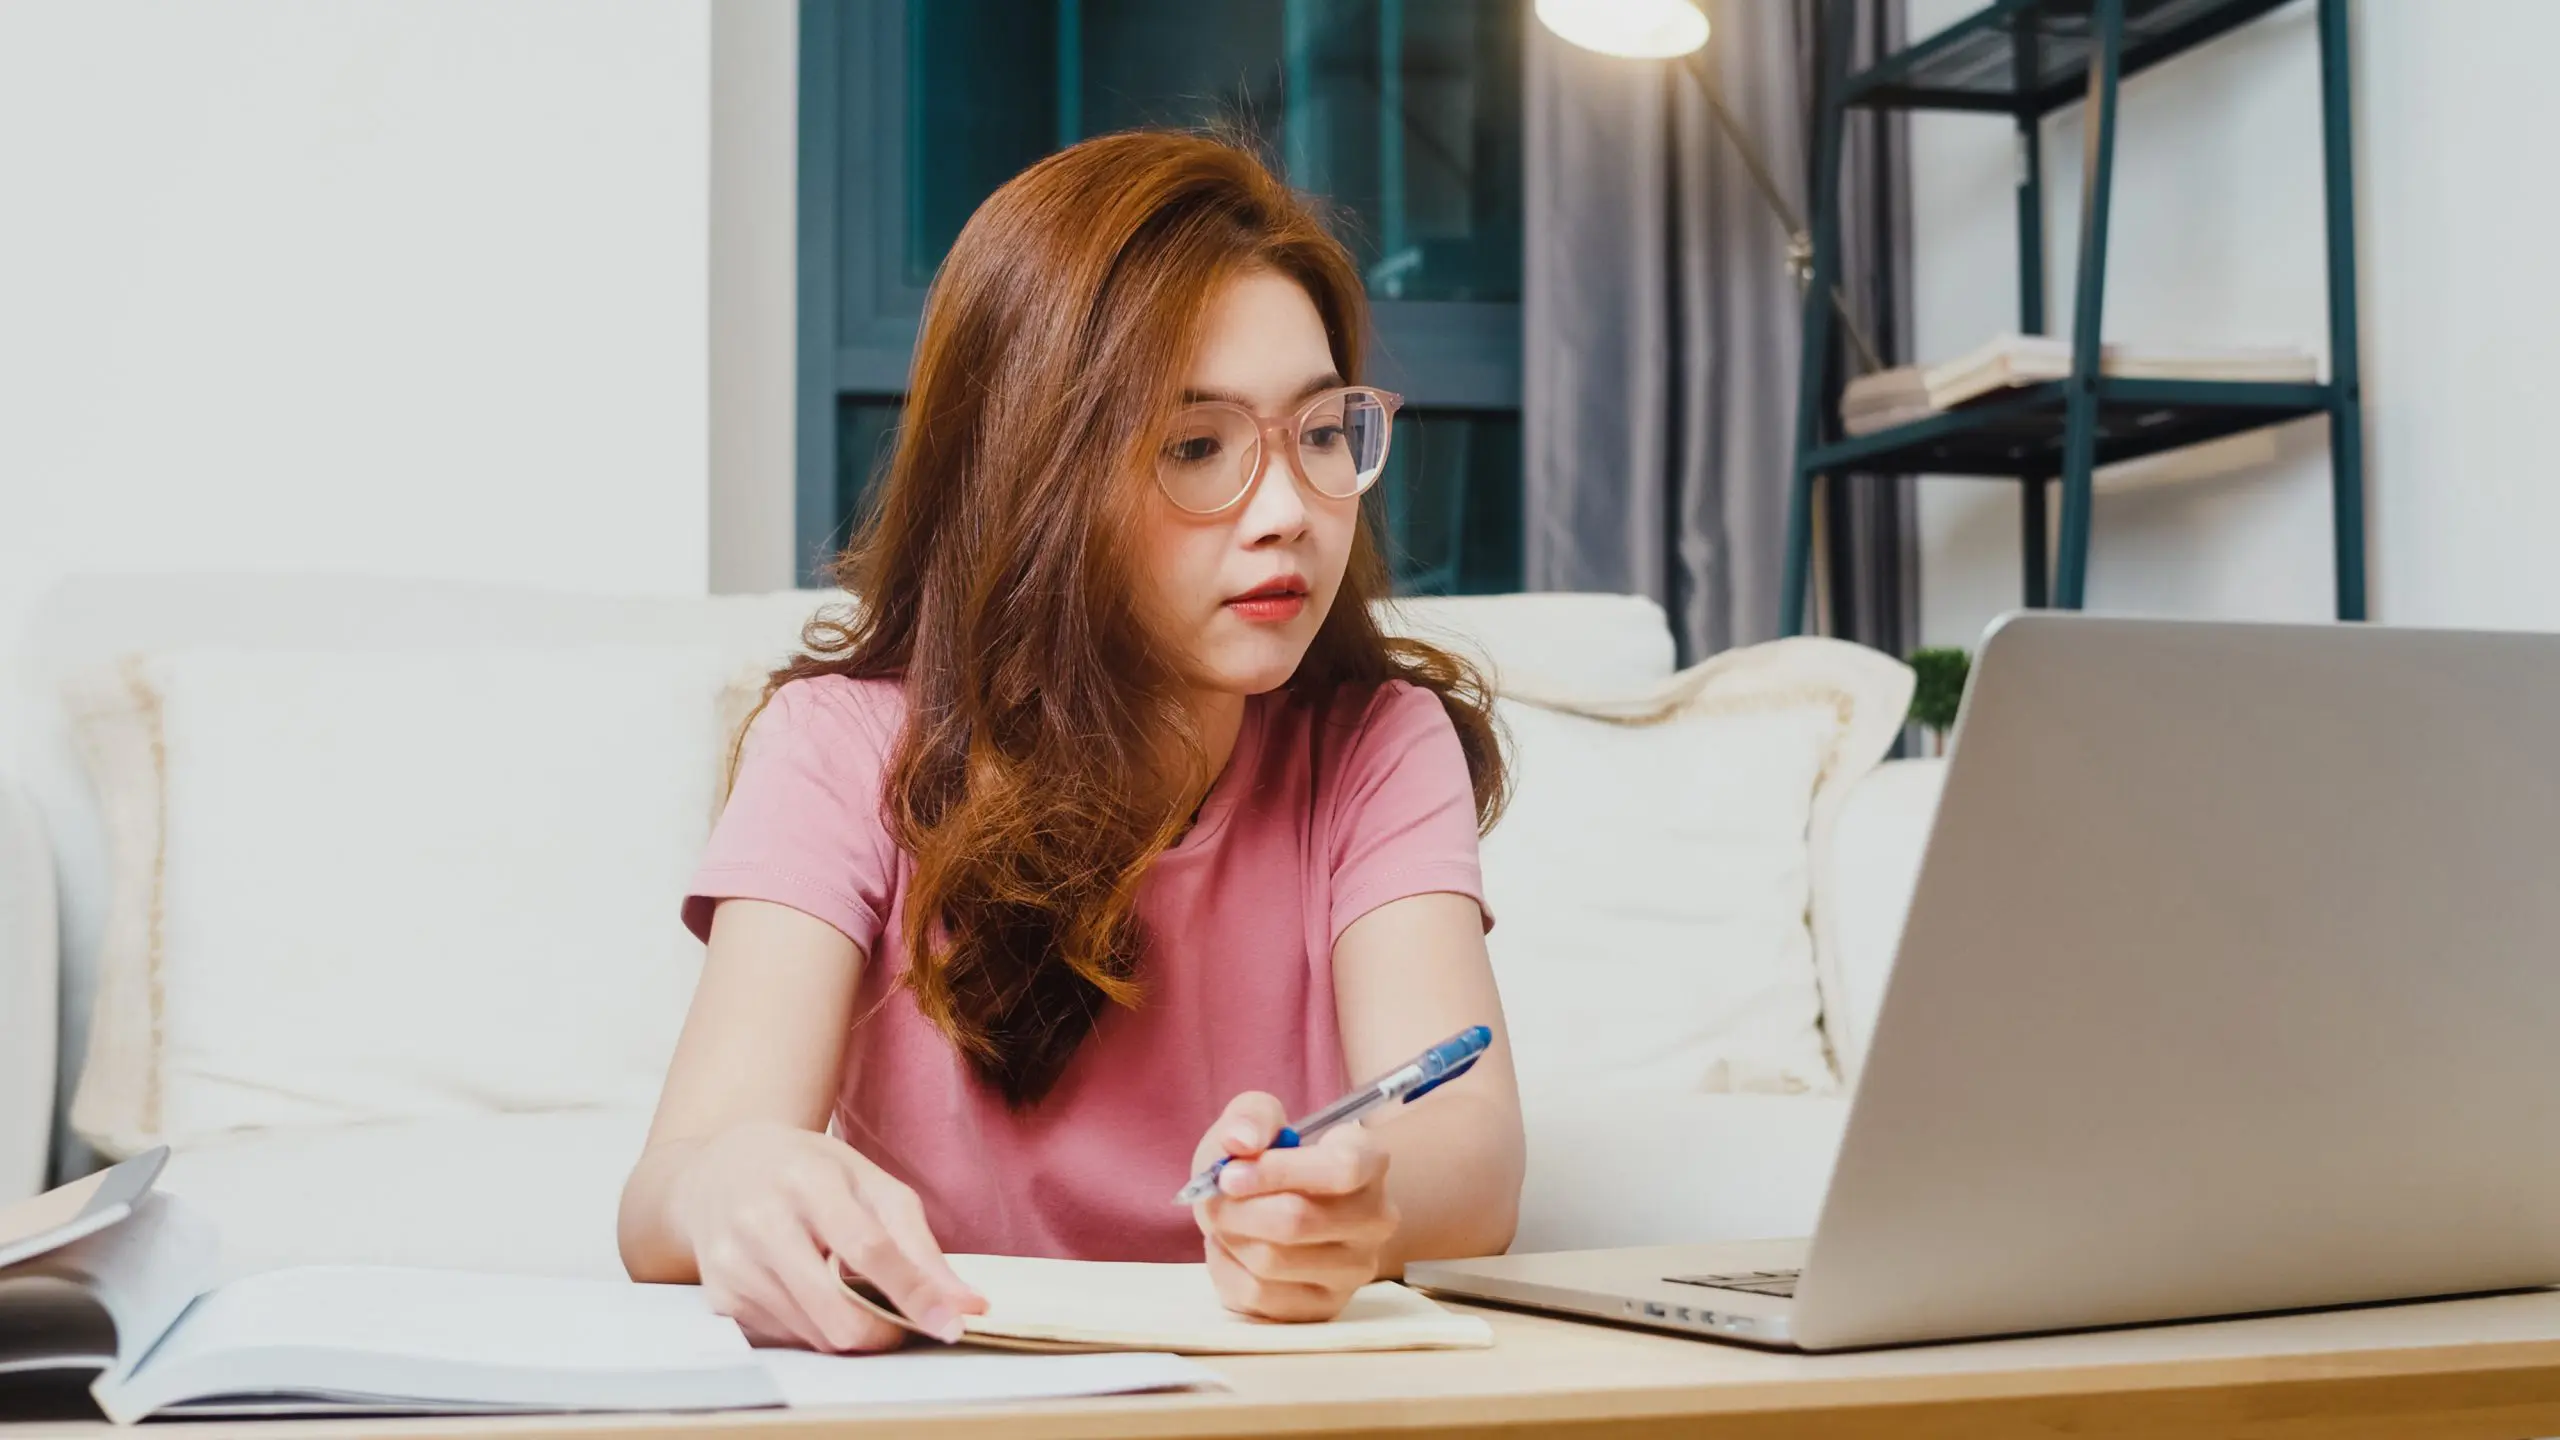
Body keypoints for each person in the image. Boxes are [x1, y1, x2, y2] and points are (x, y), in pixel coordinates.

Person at [616, 130, 1523, 1354]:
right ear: (1033, 472)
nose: (1286, 515)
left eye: (1320, 434)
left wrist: (1359, 1199)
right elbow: (668, 1192)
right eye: (1194, 446)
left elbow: (1469, 1158)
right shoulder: (837, 746)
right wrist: (731, 1187)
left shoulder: (1372, 743)